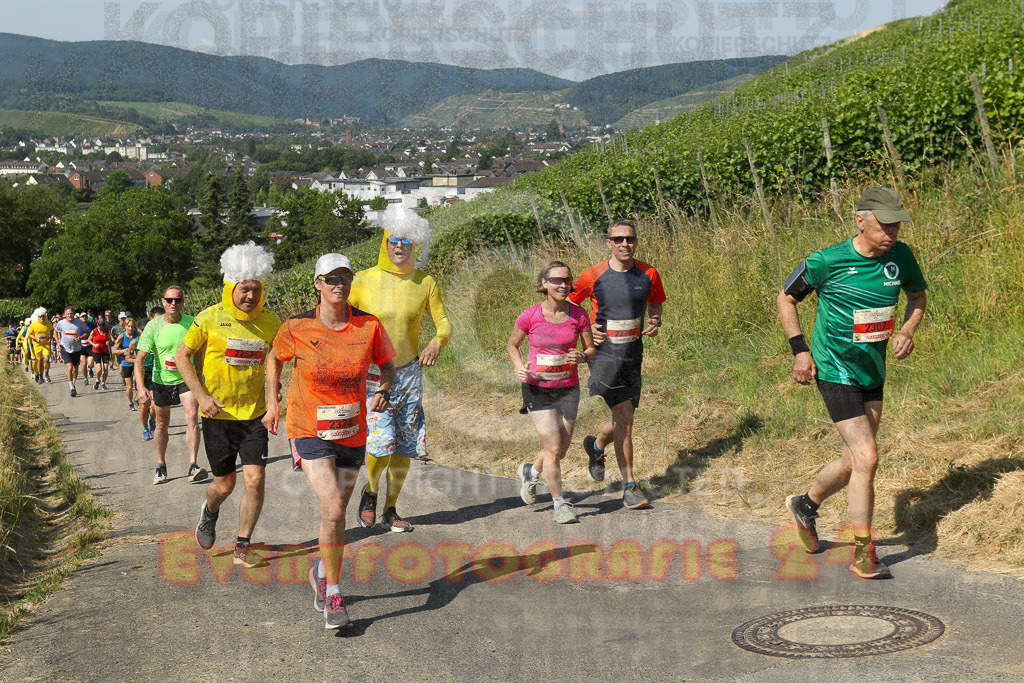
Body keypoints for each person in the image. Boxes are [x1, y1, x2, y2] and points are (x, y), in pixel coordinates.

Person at [778, 187, 928, 580]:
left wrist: (909, 330)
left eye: (896, 224)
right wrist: (800, 350)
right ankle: (865, 551)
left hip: (872, 371)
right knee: (869, 457)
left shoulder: (901, 256)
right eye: (884, 225)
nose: (892, 233)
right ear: (860, 220)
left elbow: (917, 296)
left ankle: (805, 504)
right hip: (835, 368)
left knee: (852, 463)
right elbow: (786, 298)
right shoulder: (827, 261)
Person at [264, 253, 396, 629]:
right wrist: (273, 404)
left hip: (352, 432)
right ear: (318, 284)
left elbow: (386, 365)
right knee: (335, 509)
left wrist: (383, 388)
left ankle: (323, 568)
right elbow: (274, 359)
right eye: (331, 278)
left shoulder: (368, 326)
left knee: (334, 515)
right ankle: (334, 593)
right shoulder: (297, 327)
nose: (340, 284)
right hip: (309, 429)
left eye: (345, 277)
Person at [348, 210, 452, 532]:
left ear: (414, 244)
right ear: (385, 241)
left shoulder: (425, 282)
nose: (399, 245)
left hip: (408, 373)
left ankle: (391, 509)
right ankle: (371, 492)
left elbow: (444, 324)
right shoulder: (363, 280)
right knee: (381, 442)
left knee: (405, 445)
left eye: (406, 240)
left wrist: (437, 342)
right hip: (374, 376)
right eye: (394, 239)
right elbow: (343, 321)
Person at [179, 243, 282, 568]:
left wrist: (273, 399)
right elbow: (182, 356)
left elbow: (273, 364)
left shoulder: (271, 323)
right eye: (244, 289)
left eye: (255, 289)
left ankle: (243, 545)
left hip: (254, 417)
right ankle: (209, 513)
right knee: (225, 484)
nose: (250, 296)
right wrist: (201, 395)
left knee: (254, 479)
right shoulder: (209, 318)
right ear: (230, 287)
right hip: (218, 415)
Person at [570, 220, 666, 510]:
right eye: (618, 239)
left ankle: (596, 446)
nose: (625, 244)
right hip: (602, 355)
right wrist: (585, 330)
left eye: (630, 239)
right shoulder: (593, 275)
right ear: (608, 242)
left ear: (636, 242)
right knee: (624, 413)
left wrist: (655, 319)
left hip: (633, 352)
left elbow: (657, 301)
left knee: (626, 417)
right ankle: (630, 487)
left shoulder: (649, 273)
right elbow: (567, 305)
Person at [508, 261, 595, 524]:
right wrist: (520, 368)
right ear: (544, 283)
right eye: (556, 280)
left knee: (560, 450)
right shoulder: (530, 315)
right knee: (554, 446)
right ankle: (560, 504)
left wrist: (582, 355)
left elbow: (590, 349)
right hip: (538, 388)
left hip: (568, 387)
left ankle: (531, 473)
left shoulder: (579, 315)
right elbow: (513, 345)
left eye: (567, 280)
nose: (563, 285)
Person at [135, 287, 207, 485]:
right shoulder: (153, 326)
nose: (173, 303)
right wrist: (141, 387)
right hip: (161, 382)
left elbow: (200, 352)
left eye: (177, 300)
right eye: (169, 300)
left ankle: (193, 465)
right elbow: (139, 359)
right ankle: (161, 465)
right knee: (161, 423)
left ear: (183, 301)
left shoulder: (192, 322)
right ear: (164, 302)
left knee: (192, 415)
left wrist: (199, 376)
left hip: (186, 379)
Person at [54, 307, 90, 397]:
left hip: (76, 349)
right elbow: (55, 331)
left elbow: (87, 332)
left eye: (71, 314)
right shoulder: (61, 323)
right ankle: (71, 388)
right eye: (68, 314)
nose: (70, 315)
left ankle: (73, 384)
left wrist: (80, 338)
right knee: (69, 368)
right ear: (65, 315)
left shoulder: (79, 322)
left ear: (74, 314)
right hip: (65, 349)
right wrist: (58, 342)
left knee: (75, 369)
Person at [113, 316, 141, 410]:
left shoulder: (138, 334)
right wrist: (124, 350)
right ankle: (130, 403)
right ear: (125, 326)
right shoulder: (122, 336)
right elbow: (114, 351)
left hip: (137, 362)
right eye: (128, 326)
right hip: (126, 363)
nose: (130, 328)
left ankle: (137, 400)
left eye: (132, 326)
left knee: (139, 384)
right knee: (129, 386)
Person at [27, 307, 54, 384]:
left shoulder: (48, 323)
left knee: (46, 359)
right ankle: (40, 376)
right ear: (38, 317)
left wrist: (51, 337)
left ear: (46, 316)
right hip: (37, 345)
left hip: (45, 344)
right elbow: (29, 334)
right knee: (39, 361)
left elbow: (52, 329)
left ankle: (47, 374)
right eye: (40, 316)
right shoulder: (34, 324)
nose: (42, 318)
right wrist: (35, 338)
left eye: (43, 316)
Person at [86, 319, 112, 390]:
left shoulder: (106, 331)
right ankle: (97, 380)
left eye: (103, 326)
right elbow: (89, 340)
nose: (102, 328)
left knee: (106, 369)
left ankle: (103, 383)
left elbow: (109, 339)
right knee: (99, 368)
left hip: (105, 351)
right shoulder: (94, 331)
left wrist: (108, 342)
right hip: (96, 351)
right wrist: (94, 344)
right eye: (101, 326)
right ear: (98, 325)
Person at [111, 312, 128, 386]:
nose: (123, 320)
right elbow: (111, 335)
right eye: (121, 318)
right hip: (120, 350)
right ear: (118, 319)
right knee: (121, 368)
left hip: (128, 348)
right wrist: (114, 340)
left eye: (124, 318)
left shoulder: (128, 326)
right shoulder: (115, 327)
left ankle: (131, 379)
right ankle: (123, 379)